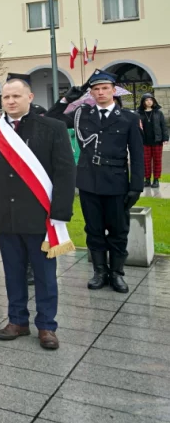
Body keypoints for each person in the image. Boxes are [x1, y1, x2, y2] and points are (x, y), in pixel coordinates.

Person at [0, 78, 75, 350]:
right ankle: (17, 320)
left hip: (40, 216)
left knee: (44, 274)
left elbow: (65, 173)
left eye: (16, 96)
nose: (10, 101)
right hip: (5, 215)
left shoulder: (52, 128)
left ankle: (47, 326)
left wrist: (60, 212)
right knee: (12, 272)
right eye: (6, 97)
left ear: (29, 97)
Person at [48, 70, 144, 293]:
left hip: (117, 182)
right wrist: (65, 100)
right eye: (96, 89)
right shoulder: (82, 114)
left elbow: (137, 155)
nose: (101, 92)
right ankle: (100, 271)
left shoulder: (129, 118)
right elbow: (52, 121)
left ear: (113, 91)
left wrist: (136, 186)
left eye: (105, 88)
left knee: (119, 230)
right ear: (91, 93)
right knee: (94, 229)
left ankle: (117, 273)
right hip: (89, 181)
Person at [138, 93, 167, 188]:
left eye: (150, 100)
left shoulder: (158, 113)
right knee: (146, 162)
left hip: (157, 141)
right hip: (144, 141)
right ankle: (147, 180)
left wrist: (165, 138)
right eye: (146, 100)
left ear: (153, 101)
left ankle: (156, 180)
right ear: (143, 102)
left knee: (157, 161)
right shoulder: (139, 114)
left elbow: (163, 126)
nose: (149, 102)